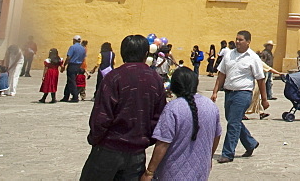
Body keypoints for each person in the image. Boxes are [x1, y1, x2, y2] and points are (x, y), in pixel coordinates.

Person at [80, 34, 167, 180]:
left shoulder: (114, 77)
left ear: (122, 53)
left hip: (108, 149)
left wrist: (95, 139)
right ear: (146, 54)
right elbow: (159, 117)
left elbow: (101, 117)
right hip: (137, 154)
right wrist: (144, 140)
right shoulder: (155, 80)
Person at [141, 67, 222, 181]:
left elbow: (163, 143)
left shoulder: (172, 108)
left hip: (172, 172)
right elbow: (217, 135)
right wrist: (208, 158)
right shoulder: (211, 106)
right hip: (201, 171)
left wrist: (149, 172)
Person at [211, 30, 268, 163]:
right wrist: (215, 91)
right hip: (229, 92)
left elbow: (260, 79)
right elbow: (221, 74)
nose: (237, 42)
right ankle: (250, 143)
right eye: (236, 39)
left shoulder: (253, 58)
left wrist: (264, 99)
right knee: (232, 119)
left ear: (248, 42)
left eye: (240, 40)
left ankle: (227, 153)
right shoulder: (229, 55)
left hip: (243, 93)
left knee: (233, 123)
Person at [62, 34, 87, 103]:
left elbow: (68, 57)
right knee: (70, 81)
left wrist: (64, 65)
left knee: (72, 81)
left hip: (72, 65)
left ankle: (75, 96)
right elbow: (83, 57)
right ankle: (66, 96)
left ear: (74, 40)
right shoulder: (83, 48)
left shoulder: (72, 47)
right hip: (78, 65)